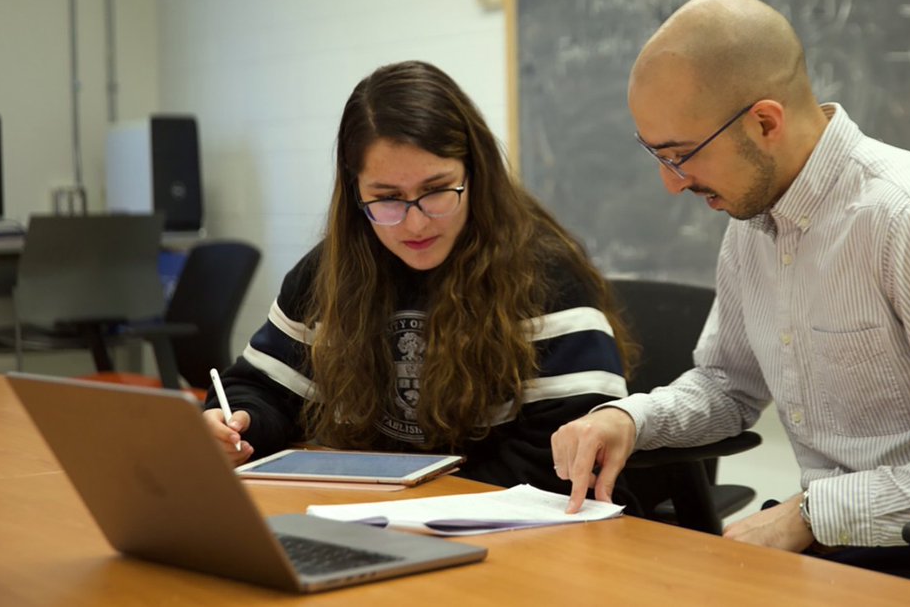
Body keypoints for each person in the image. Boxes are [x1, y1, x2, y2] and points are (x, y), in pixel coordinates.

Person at [550, 0, 910, 593]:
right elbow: (728, 385)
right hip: (840, 550)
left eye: (681, 156)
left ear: (765, 122)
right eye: (656, 155)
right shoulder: (753, 222)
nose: (671, 185)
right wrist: (632, 418)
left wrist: (812, 513)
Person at [205, 60, 634, 494]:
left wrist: (418, 498)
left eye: (436, 190)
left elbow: (570, 453)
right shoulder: (328, 274)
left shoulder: (545, 277)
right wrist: (239, 424)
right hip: (376, 513)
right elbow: (261, 388)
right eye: (387, 198)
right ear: (356, 193)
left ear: (475, 174)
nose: (415, 224)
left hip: (511, 528)